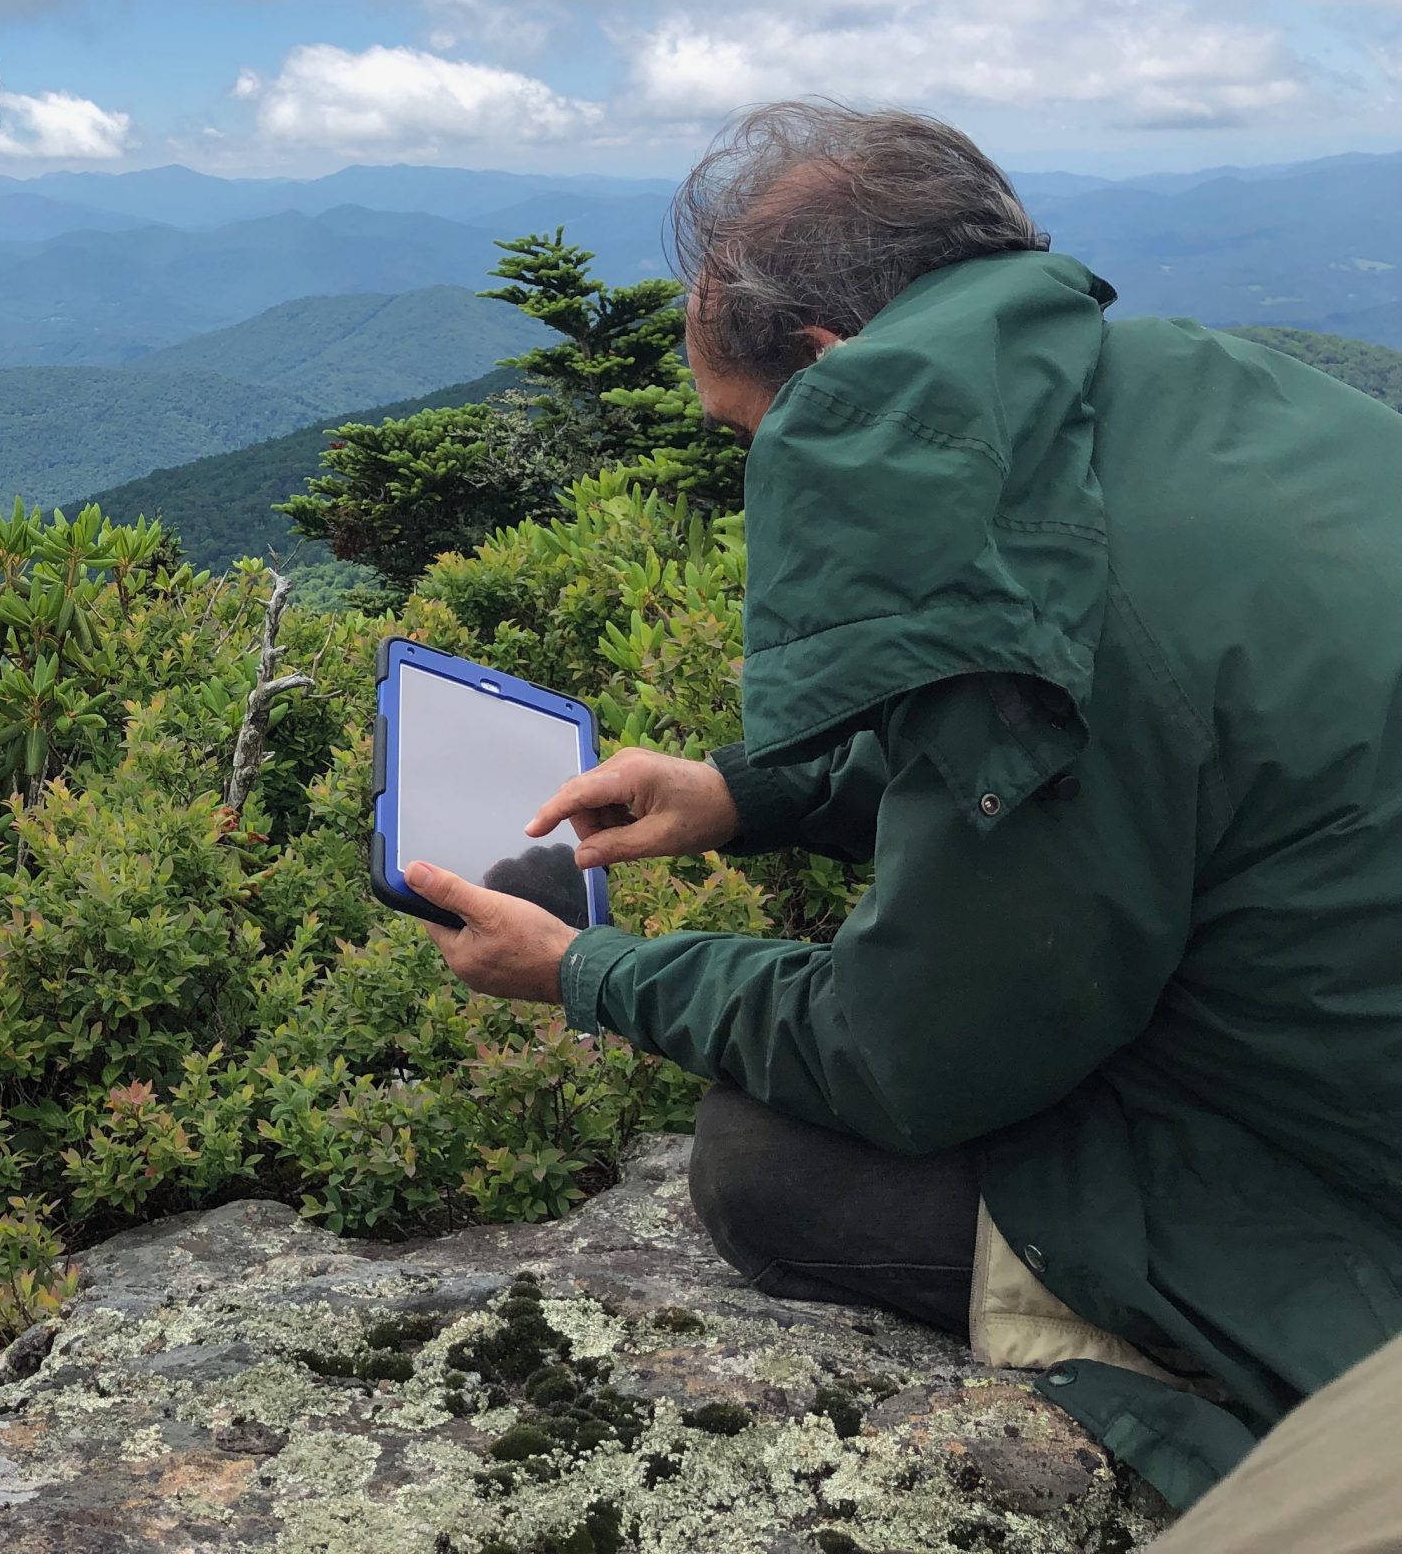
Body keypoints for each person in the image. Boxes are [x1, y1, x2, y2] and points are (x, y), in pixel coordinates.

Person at [409, 101, 1402, 1515]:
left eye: (751, 434)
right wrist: (744, 795)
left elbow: (903, 1056)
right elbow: (1124, 765)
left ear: (827, 378)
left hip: (1348, 1189)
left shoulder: (1064, 623)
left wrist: (586, 972)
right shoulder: (1203, 386)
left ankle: (1191, 1362)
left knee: (770, 1165)